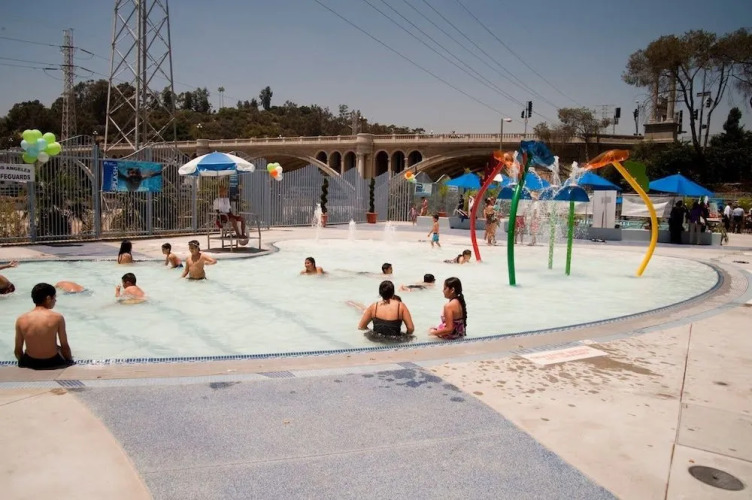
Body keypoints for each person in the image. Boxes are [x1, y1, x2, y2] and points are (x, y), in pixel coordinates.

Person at [14, 283, 75, 370]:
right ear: (48, 298)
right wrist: (69, 360)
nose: (55, 300)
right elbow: (65, 347)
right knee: (59, 348)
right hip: (53, 362)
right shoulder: (57, 317)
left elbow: (18, 351)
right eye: (55, 297)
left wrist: (22, 362)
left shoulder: (21, 319)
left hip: (30, 362)